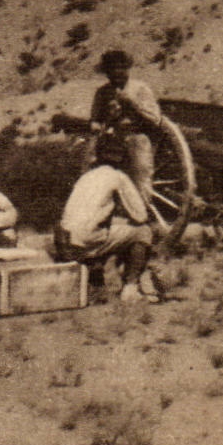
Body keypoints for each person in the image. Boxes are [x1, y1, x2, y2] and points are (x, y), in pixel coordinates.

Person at [55, 138, 161, 304]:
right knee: (142, 232)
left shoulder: (86, 177)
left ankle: (96, 284)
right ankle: (131, 288)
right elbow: (141, 216)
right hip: (84, 244)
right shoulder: (118, 177)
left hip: (63, 241)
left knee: (103, 229)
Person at [87, 48, 166, 211]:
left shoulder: (140, 89)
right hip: (112, 140)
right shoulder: (103, 93)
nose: (116, 74)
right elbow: (95, 119)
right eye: (111, 70)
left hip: (137, 137)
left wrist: (132, 104)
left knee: (140, 176)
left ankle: (140, 214)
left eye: (120, 69)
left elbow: (155, 119)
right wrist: (96, 125)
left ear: (126, 69)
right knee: (96, 175)